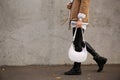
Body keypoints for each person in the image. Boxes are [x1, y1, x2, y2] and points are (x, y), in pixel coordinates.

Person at [64, 0, 107, 75]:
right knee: (79, 42)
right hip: (76, 20)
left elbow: (85, 3)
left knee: (77, 44)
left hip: (79, 21)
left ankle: (77, 69)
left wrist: (80, 19)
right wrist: (71, 5)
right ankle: (99, 59)